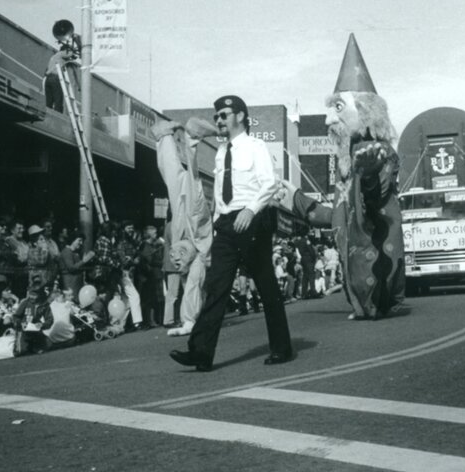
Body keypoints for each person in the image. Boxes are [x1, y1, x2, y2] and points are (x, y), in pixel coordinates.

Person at [282, 34, 405, 319]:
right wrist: (299, 202)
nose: (328, 120)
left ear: (365, 112)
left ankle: (373, 303)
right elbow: (341, 217)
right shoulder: (347, 162)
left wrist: (372, 173)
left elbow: (374, 203)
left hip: (379, 278)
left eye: (338, 109)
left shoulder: (377, 152)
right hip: (360, 293)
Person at [169, 95, 292, 371]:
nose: (218, 121)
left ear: (240, 116)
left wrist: (251, 210)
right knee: (215, 288)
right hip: (225, 224)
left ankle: (282, 349)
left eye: (223, 115)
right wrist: (215, 225)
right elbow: (220, 195)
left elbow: (270, 183)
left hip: (251, 221)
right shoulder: (222, 151)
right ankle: (201, 352)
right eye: (216, 117)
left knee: (266, 286)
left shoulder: (255, 146)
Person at [152, 117, 213, 338]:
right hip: (195, 230)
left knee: (178, 179)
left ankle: (167, 137)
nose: (176, 262)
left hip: (190, 229)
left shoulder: (194, 261)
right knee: (187, 180)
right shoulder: (198, 260)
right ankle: (186, 139)